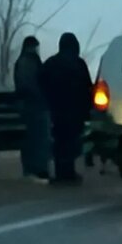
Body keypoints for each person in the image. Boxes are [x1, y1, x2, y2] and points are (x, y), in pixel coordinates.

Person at [41, 33, 93, 184]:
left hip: (56, 109)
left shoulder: (51, 63)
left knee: (59, 141)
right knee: (71, 141)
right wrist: (87, 108)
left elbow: (40, 81)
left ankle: (60, 173)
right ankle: (69, 173)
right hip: (76, 110)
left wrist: (48, 100)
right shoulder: (79, 64)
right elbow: (87, 87)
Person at [14, 36, 50, 182]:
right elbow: (29, 85)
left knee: (33, 139)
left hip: (29, 106)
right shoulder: (29, 62)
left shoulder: (23, 61)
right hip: (34, 106)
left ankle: (32, 169)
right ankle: (38, 169)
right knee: (39, 138)